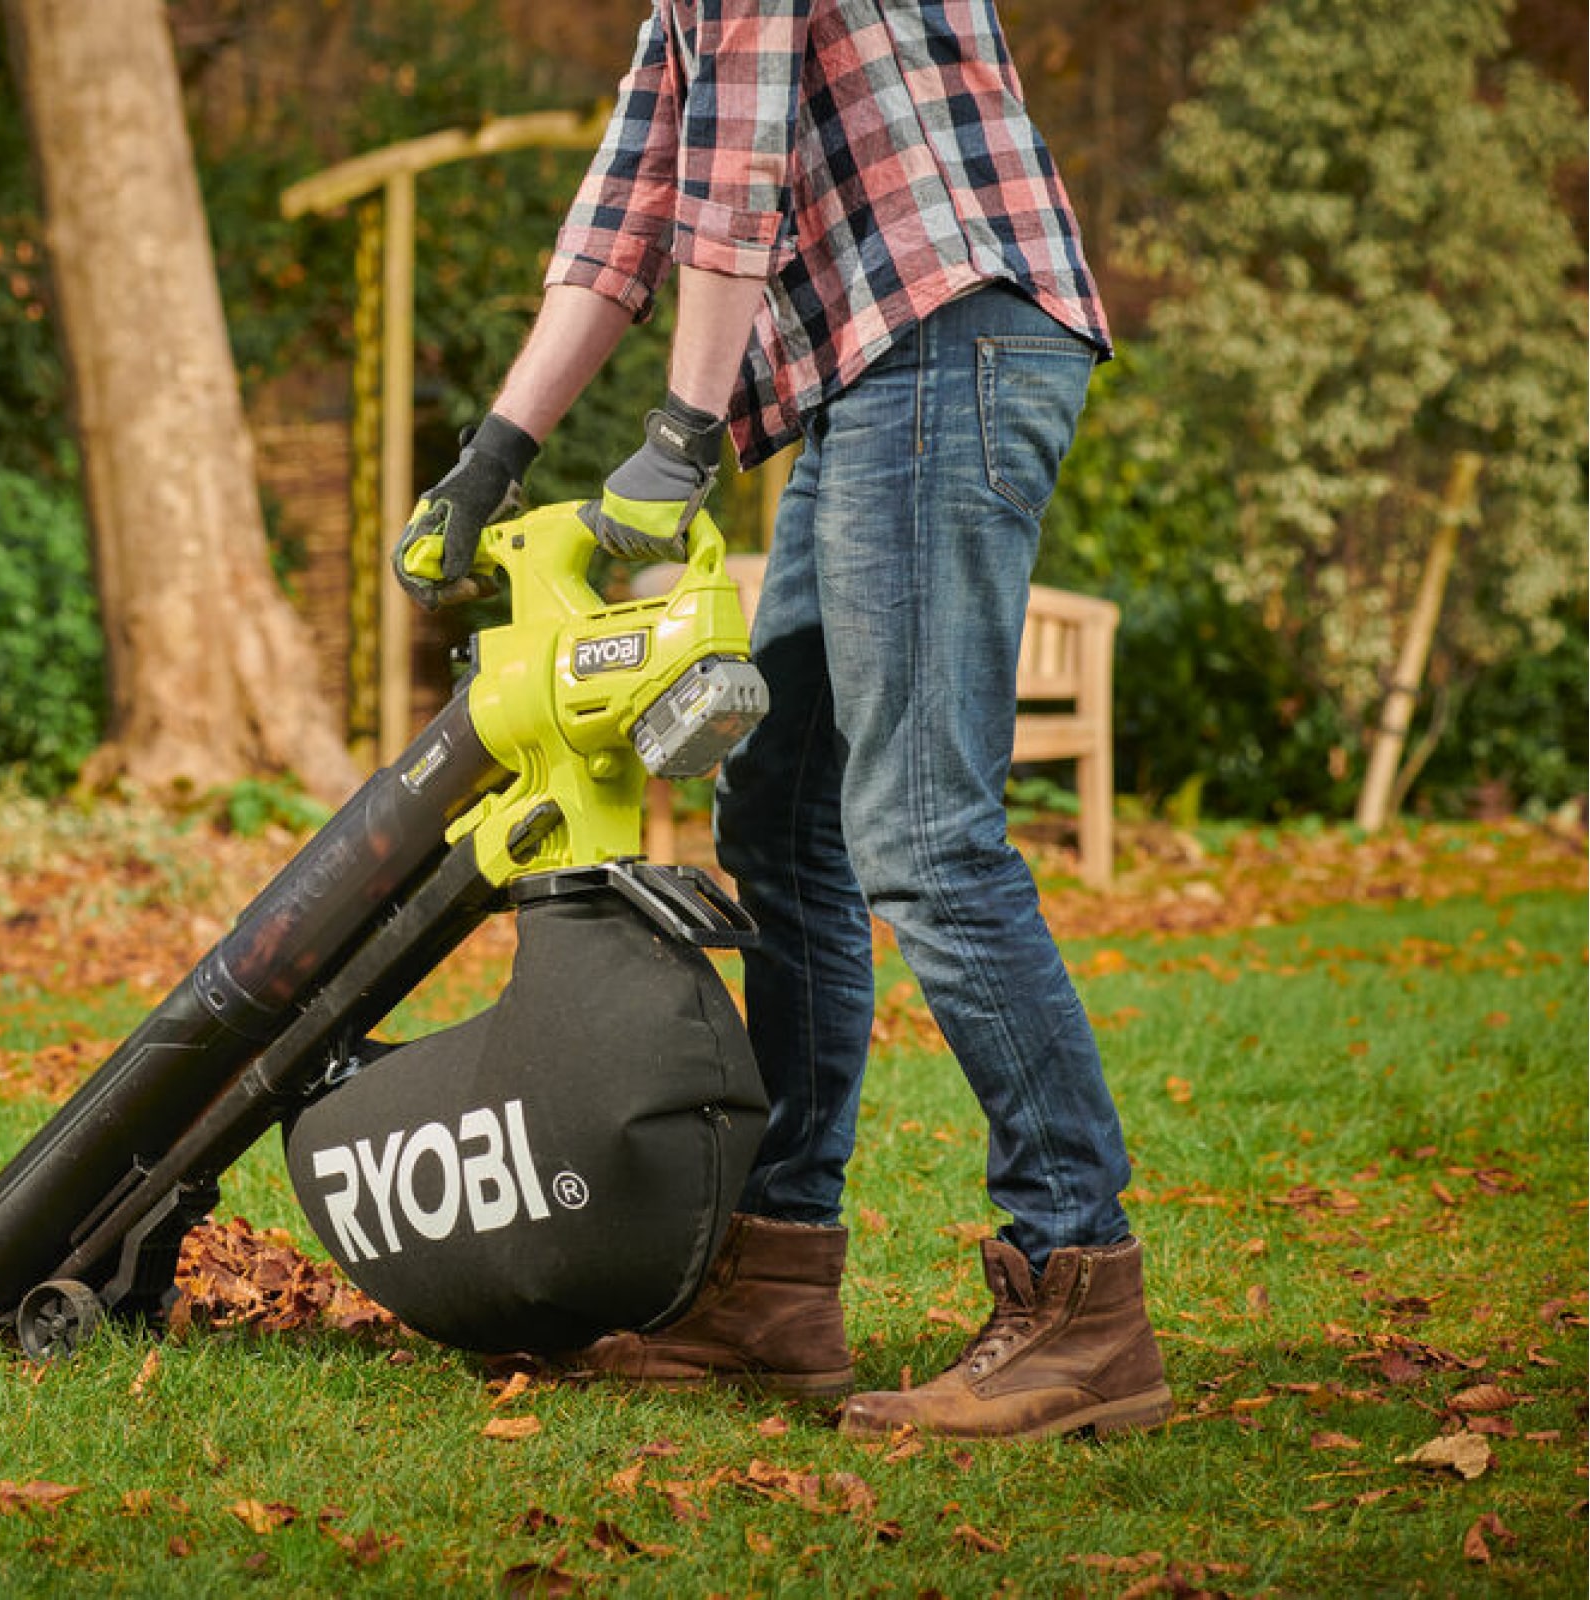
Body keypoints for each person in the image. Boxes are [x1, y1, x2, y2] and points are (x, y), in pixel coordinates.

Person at [395, 0, 1169, 1440]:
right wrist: (487, 462)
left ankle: (1082, 1292)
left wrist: (687, 435)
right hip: (870, 384)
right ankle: (774, 1280)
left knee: (923, 834)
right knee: (783, 820)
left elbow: (738, 180)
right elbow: (627, 208)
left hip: (949, 346)